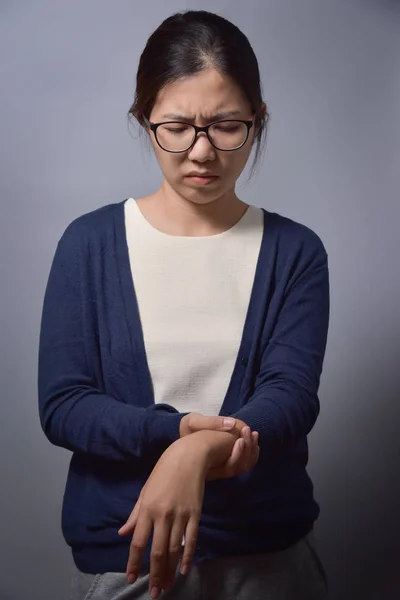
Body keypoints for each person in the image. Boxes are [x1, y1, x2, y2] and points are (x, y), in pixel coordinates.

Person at [38, 9, 330, 600]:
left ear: (258, 120)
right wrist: (173, 435)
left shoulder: (295, 251)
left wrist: (196, 451)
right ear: (144, 120)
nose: (201, 151)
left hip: (266, 554)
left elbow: (291, 397)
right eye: (176, 125)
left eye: (226, 125)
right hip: (129, 554)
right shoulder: (89, 244)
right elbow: (65, 405)